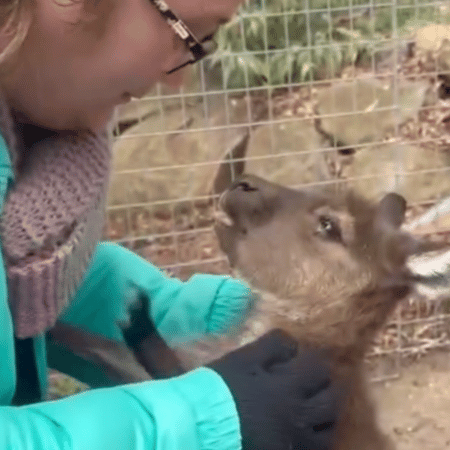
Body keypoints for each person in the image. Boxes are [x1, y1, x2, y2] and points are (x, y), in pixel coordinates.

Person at [0, 0, 342, 449]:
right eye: (189, 33)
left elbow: (34, 292)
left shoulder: (33, 151)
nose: (178, 77)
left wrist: (221, 322)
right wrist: (201, 421)